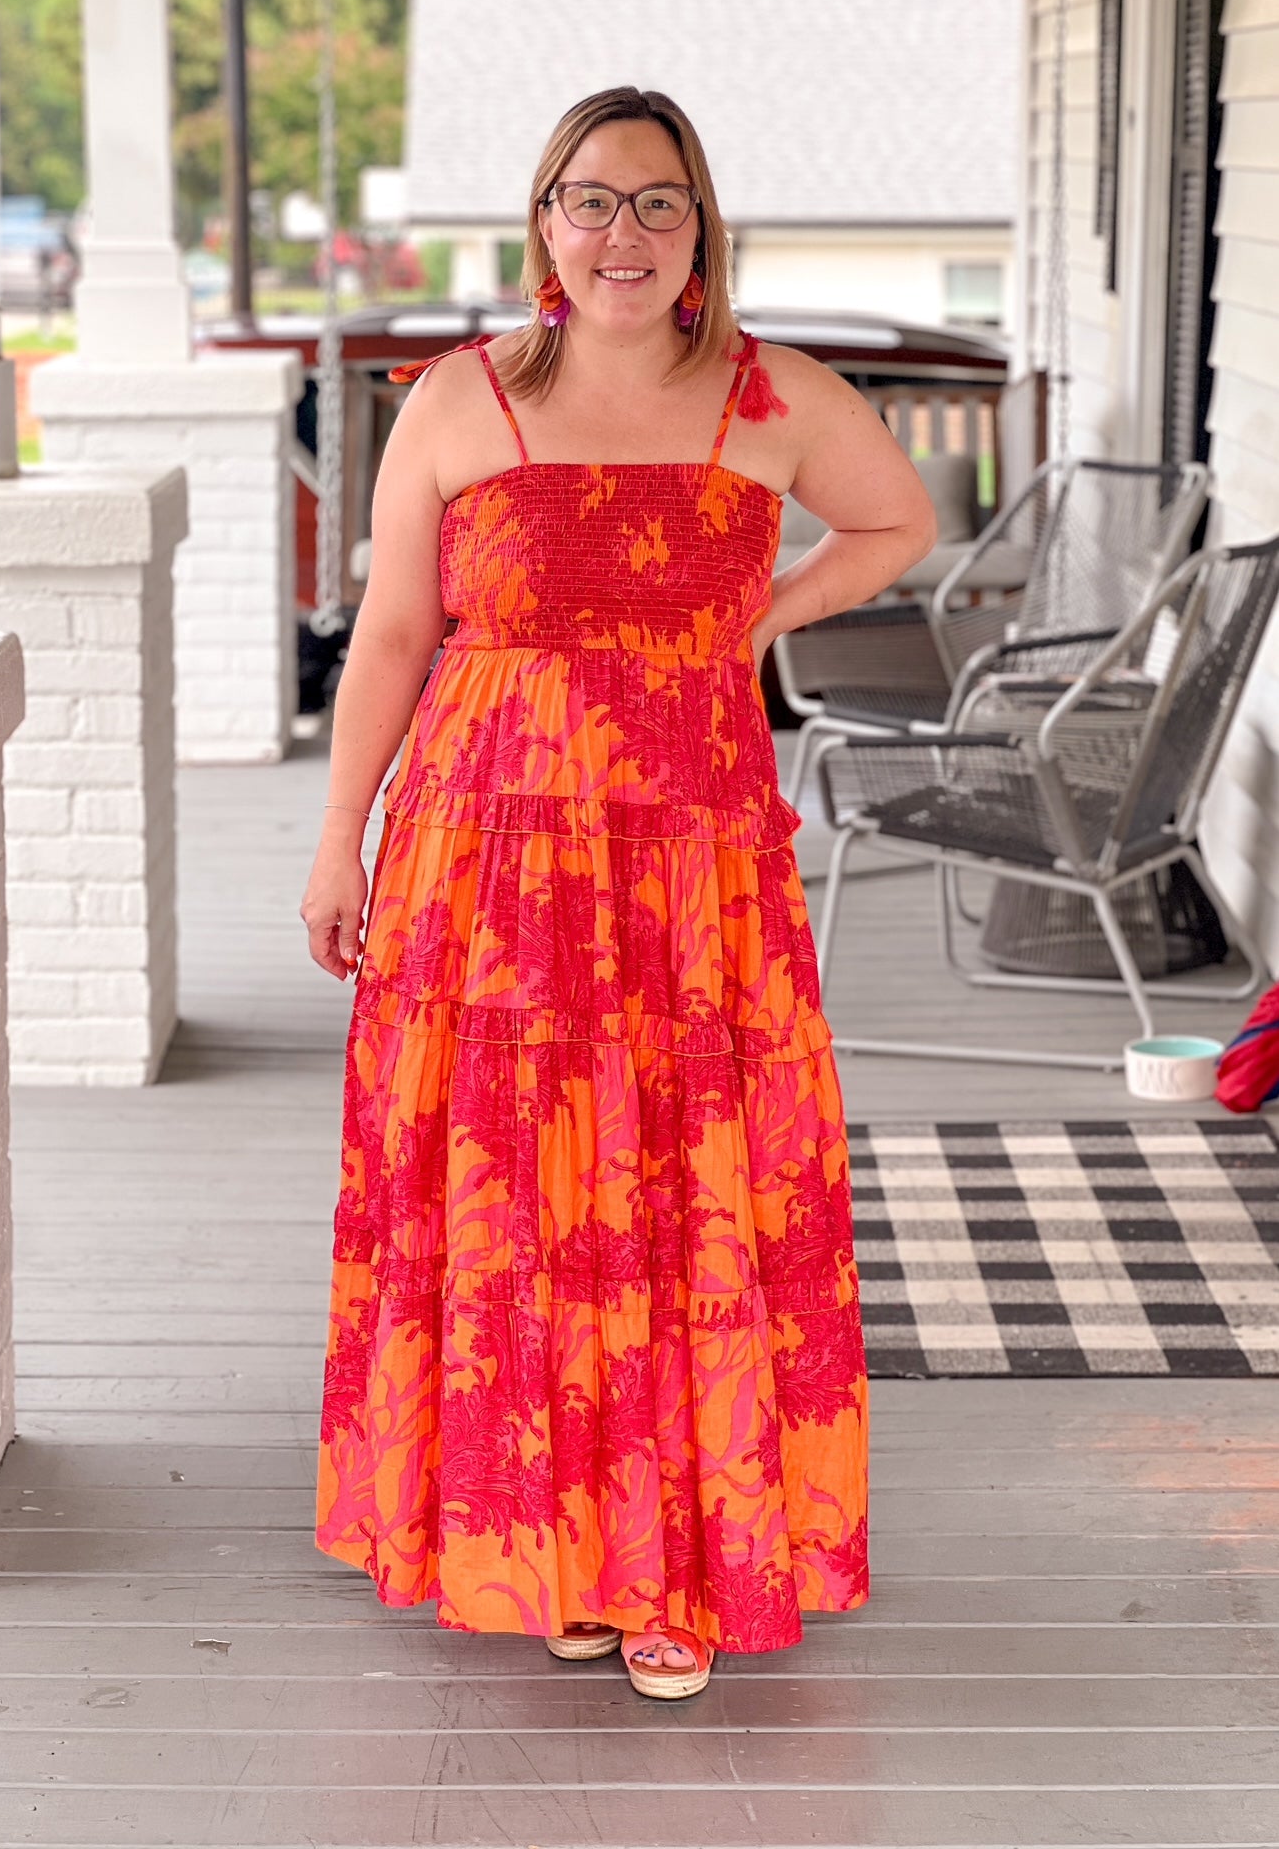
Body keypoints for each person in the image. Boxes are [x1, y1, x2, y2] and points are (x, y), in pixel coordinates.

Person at [303, 85, 936, 1700]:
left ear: (701, 231)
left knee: (678, 1187)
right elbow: (390, 638)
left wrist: (759, 616)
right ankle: (556, 1547)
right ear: (542, 226)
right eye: (591, 201)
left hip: (692, 863)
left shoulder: (772, 396)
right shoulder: (454, 403)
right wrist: (338, 841)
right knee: (518, 1199)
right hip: (484, 855)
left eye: (658, 205)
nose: (623, 234)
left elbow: (896, 521)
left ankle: (677, 1564)